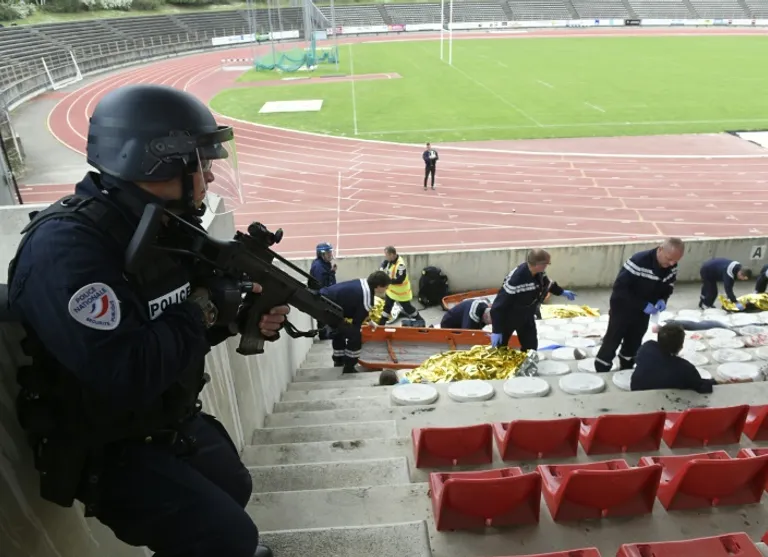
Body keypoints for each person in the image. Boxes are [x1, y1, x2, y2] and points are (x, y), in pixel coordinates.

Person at [6, 84, 286, 557]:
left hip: (163, 418)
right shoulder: (67, 250)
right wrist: (204, 308)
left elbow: (173, 325)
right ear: (156, 161)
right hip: (106, 443)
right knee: (228, 537)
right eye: (200, 160)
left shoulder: (161, 225)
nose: (209, 174)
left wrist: (234, 319)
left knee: (234, 485)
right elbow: (125, 370)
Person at [594, 238, 684, 374]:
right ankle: (602, 367)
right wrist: (642, 304)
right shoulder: (638, 261)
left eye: (675, 261)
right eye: (669, 259)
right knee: (613, 338)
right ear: (660, 250)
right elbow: (620, 289)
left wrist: (662, 299)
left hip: (644, 311)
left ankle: (627, 366)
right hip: (623, 307)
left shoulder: (671, 266)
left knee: (635, 339)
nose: (671, 263)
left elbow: (668, 286)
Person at [490, 249, 576, 351]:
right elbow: (498, 307)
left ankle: (527, 360)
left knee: (531, 348)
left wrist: (561, 292)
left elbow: (547, 283)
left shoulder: (539, 273)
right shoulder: (516, 280)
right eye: (546, 264)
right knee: (500, 350)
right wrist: (497, 330)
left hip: (526, 315)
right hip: (509, 317)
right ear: (538, 264)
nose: (547, 266)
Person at [632, 324, 745, 392]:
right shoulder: (684, 368)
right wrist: (720, 382)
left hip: (636, 389)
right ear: (681, 347)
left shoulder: (647, 347)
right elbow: (702, 387)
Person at [320, 271, 391, 374]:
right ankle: (349, 366)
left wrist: (369, 321)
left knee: (339, 331)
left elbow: (357, 306)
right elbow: (357, 323)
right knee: (355, 336)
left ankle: (339, 361)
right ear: (378, 286)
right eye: (386, 287)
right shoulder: (367, 298)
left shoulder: (363, 283)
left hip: (324, 299)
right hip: (328, 307)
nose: (386, 290)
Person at [377, 246, 425, 327]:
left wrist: (387, 280)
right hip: (391, 292)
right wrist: (381, 269)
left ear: (392, 255)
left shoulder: (400, 265)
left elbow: (400, 280)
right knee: (387, 308)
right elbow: (384, 263)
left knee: (408, 309)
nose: (386, 257)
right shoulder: (391, 260)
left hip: (401, 293)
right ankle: (381, 325)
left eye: (387, 255)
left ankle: (420, 320)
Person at [310, 242, 337, 339]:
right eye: (328, 252)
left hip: (325, 294)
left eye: (330, 252)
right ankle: (324, 334)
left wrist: (332, 272)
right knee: (323, 315)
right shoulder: (318, 267)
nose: (330, 254)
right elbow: (321, 284)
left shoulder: (325, 264)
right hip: (321, 297)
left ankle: (326, 333)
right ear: (321, 254)